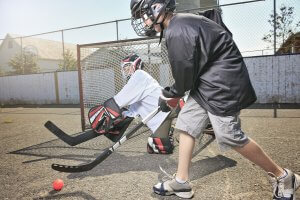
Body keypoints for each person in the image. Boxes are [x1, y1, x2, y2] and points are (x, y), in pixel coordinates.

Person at [130, 0, 300, 199]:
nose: (144, 20)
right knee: (186, 124)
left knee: (229, 135)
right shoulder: (177, 25)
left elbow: (184, 74)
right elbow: (189, 71)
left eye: (144, 14)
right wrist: (172, 94)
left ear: (157, 7)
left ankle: (284, 176)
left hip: (222, 83)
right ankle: (182, 182)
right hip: (207, 81)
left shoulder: (177, 29)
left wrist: (170, 94)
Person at [89, 53, 179, 154]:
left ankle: (176, 130)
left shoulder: (139, 75)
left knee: (158, 146)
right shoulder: (137, 84)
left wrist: (105, 110)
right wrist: (116, 121)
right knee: (155, 146)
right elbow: (132, 112)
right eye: (124, 68)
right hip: (163, 117)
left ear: (136, 65)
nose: (126, 71)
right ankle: (170, 130)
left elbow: (119, 100)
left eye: (128, 67)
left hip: (167, 111)